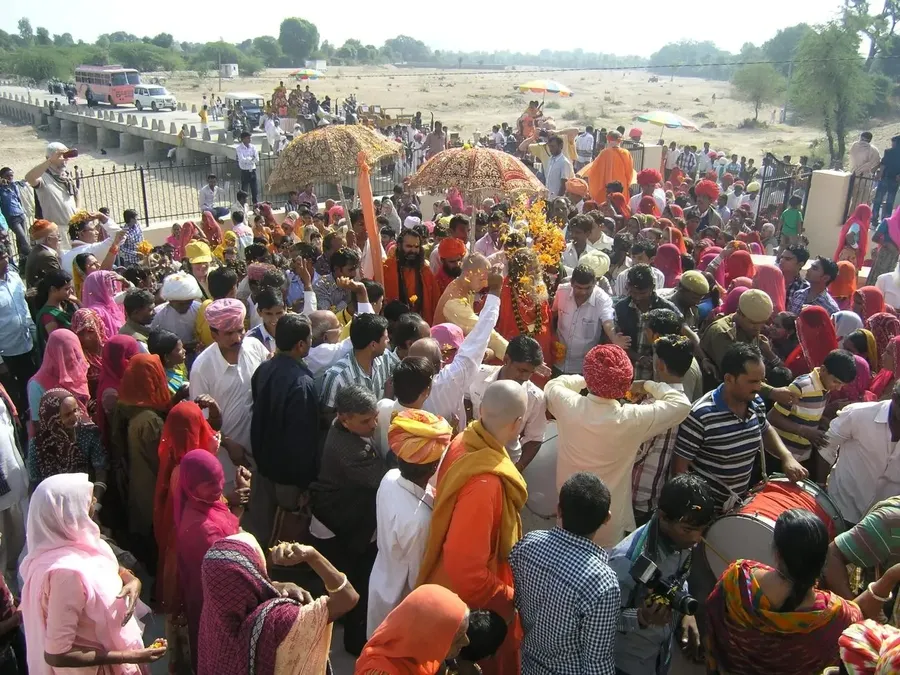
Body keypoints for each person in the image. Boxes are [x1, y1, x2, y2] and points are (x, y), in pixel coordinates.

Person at [418, 380, 529, 675]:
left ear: (481, 410)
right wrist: (510, 597)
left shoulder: (465, 441)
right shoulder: (485, 483)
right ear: (518, 423)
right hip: (472, 608)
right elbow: (467, 571)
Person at [547, 342, 690, 546]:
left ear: (589, 377)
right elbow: (681, 404)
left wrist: (587, 379)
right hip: (607, 525)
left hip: (566, 515)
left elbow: (555, 384)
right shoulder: (631, 419)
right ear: (625, 385)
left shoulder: (568, 404)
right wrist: (647, 385)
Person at [21, 473, 166, 674]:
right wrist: (132, 656)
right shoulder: (66, 574)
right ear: (66, 512)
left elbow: (107, 568)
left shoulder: (81, 543)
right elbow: (57, 654)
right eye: (87, 499)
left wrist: (131, 580)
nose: (95, 501)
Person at [706, 509, 865, 675]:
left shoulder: (736, 579)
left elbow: (710, 622)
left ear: (777, 554)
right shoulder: (841, 616)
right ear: (823, 561)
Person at [199, 534, 359, 675]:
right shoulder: (279, 621)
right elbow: (348, 598)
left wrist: (272, 584)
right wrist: (312, 556)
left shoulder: (210, 626)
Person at [674, 343, 808, 511]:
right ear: (729, 379)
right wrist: (695, 510)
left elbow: (765, 429)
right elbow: (680, 469)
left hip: (738, 505)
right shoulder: (700, 415)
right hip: (706, 511)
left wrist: (787, 457)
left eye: (761, 381)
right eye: (752, 381)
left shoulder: (755, 402)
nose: (759, 387)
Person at [510, 472, 620, 675]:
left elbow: (514, 601)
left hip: (527, 666)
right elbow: (596, 662)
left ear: (559, 510)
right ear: (607, 518)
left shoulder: (528, 544)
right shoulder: (602, 582)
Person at [609, 474, 714, 675]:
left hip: (660, 658)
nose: (697, 539)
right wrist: (641, 617)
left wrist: (685, 614)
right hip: (625, 664)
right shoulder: (626, 561)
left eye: (702, 530)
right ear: (663, 517)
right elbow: (603, 619)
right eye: (689, 530)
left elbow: (679, 579)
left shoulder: (681, 541)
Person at [309, 384, 386, 655]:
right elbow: (382, 478)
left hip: (343, 517)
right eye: (366, 421)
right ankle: (354, 643)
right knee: (354, 585)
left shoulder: (345, 427)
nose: (374, 424)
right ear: (344, 418)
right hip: (337, 524)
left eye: (375, 416)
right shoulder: (348, 450)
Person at [367, 409, 453, 636]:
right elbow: (418, 577)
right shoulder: (420, 521)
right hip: (401, 596)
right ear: (434, 468)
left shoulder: (390, 477)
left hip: (381, 578)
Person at [248, 313, 319, 544]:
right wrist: (304, 484)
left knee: (265, 527)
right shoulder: (302, 384)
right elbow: (302, 440)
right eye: (309, 339)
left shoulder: (263, 369)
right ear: (300, 345)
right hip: (288, 478)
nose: (311, 343)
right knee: (288, 532)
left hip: (263, 467)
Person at [174, 450, 242, 671]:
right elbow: (229, 572)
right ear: (192, 487)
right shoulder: (201, 529)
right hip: (218, 606)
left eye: (220, 478)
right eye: (210, 483)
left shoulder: (207, 502)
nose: (219, 487)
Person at [190, 299, 268, 486]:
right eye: (229, 333)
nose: (237, 338)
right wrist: (227, 443)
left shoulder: (254, 347)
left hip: (262, 450)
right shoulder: (202, 368)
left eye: (240, 330)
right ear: (214, 334)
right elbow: (201, 421)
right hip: (227, 459)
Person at [769, 349, 858, 476]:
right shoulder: (802, 386)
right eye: (836, 382)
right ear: (823, 370)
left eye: (842, 385)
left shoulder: (824, 387)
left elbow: (805, 412)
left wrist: (822, 421)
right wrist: (805, 431)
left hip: (802, 456)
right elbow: (773, 417)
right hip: (779, 455)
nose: (838, 388)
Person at [467, 335, 547, 472]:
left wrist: (516, 470)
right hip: (468, 453)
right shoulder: (477, 374)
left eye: (531, 373)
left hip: (505, 464)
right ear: (506, 360)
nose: (525, 377)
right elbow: (466, 398)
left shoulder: (536, 398)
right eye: (522, 370)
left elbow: (535, 438)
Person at [356, 585, 470, 675]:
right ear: (427, 636)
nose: (466, 641)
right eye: (457, 636)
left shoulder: (421, 660)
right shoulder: (383, 671)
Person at [614, 264, 681, 379]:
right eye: (633, 292)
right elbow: (616, 341)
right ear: (627, 287)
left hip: (657, 377)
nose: (638, 297)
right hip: (626, 374)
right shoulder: (621, 308)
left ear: (652, 288)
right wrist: (638, 357)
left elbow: (679, 337)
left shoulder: (667, 308)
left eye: (642, 293)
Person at [320, 313, 394, 418]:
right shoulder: (337, 377)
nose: (388, 341)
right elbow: (327, 416)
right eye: (386, 338)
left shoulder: (386, 358)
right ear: (373, 345)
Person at [27, 329, 90, 439]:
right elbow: (39, 424)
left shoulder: (77, 370)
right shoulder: (37, 385)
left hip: (85, 436)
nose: (72, 358)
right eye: (64, 354)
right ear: (52, 353)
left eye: (74, 352)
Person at [700, 288, 774, 377]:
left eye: (762, 323)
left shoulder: (749, 327)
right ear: (739, 312)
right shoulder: (722, 333)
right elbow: (739, 377)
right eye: (753, 323)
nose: (758, 328)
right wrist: (771, 391)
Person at [0, 248, 36, 410]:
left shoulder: (14, 278)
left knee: (30, 389)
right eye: (1, 259)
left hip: (26, 343)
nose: (6, 261)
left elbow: (23, 307)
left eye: (6, 257)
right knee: (16, 398)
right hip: (6, 354)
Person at [24, 143, 79, 249]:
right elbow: (29, 178)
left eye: (66, 156)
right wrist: (50, 160)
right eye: (61, 156)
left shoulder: (66, 176)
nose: (65, 159)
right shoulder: (43, 177)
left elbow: (77, 193)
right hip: (58, 232)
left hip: (73, 228)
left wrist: (77, 208)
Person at [383, 228, 441, 324]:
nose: (413, 250)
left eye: (416, 247)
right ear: (399, 246)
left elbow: (435, 301)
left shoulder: (425, 271)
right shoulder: (386, 269)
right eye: (409, 246)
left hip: (421, 324)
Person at [580, 130, 634, 205]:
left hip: (607, 188)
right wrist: (627, 184)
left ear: (608, 140)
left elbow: (594, 170)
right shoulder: (626, 153)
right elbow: (630, 172)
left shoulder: (604, 153)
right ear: (620, 141)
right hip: (622, 187)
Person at [0, 166, 32, 268]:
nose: (10, 178)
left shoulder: (14, 185)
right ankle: (33, 261)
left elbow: (18, 198)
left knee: (20, 241)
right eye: (7, 176)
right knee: (24, 241)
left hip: (20, 214)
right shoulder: (1, 188)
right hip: (11, 217)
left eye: (11, 175)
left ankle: (23, 265)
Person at [236, 131, 259, 204]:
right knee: (244, 191)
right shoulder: (239, 148)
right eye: (248, 138)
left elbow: (257, 159)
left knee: (254, 191)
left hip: (253, 171)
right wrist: (251, 159)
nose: (250, 139)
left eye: (250, 138)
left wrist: (248, 159)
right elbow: (242, 160)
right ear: (243, 139)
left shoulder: (253, 147)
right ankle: (243, 206)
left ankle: (255, 206)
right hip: (245, 171)